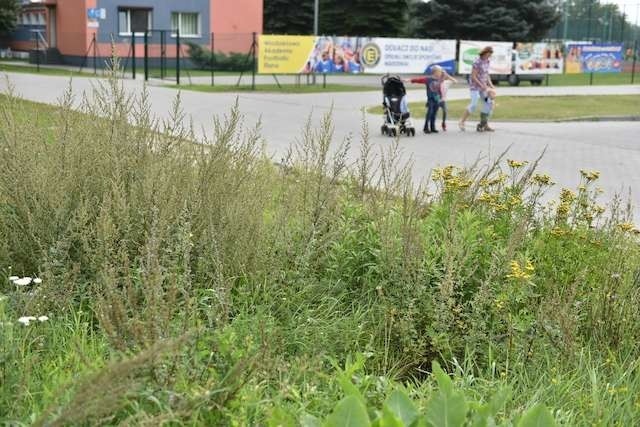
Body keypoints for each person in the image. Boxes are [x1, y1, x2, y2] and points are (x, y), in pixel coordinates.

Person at [407, 65, 457, 134]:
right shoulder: (428, 79)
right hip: (431, 99)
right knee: (429, 113)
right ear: (435, 72)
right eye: (439, 72)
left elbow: (452, 80)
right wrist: (409, 80)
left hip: (437, 99)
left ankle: (432, 127)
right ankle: (426, 127)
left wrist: (446, 75)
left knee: (434, 113)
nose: (440, 73)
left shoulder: (440, 80)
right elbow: (418, 80)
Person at [458, 46, 494, 132]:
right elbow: (473, 76)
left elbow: (486, 74)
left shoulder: (487, 61)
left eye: (490, 55)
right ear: (484, 53)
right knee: (474, 103)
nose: (488, 57)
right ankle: (461, 121)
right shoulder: (477, 62)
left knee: (488, 103)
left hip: (483, 87)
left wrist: (490, 84)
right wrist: (481, 85)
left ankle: (484, 124)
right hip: (475, 87)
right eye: (488, 54)